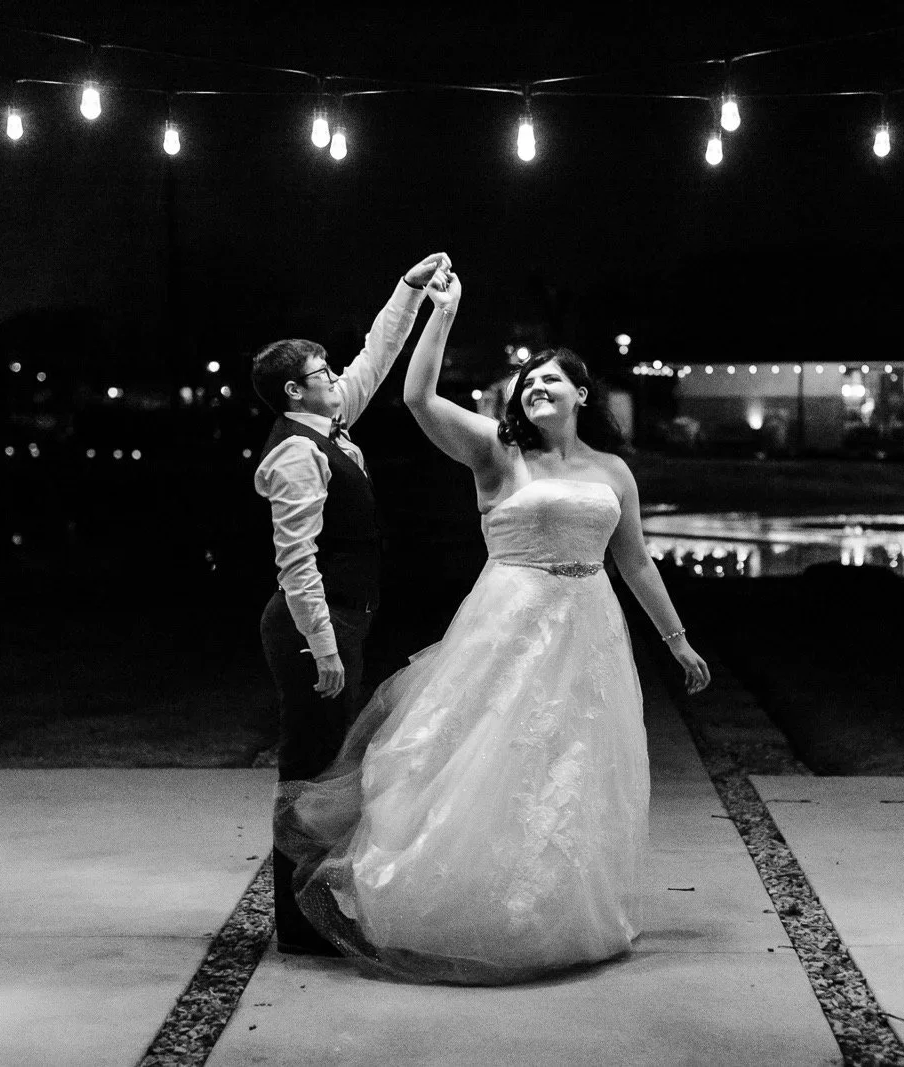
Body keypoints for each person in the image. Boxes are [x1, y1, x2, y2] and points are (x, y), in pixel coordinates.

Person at [275, 265, 711, 984]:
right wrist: (442, 313)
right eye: (527, 382)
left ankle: (561, 915)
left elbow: (635, 562)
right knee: (485, 760)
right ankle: (465, 910)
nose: (535, 389)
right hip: (508, 625)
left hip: (591, 631)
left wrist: (677, 639)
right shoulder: (497, 451)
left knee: (572, 769)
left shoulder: (613, 471)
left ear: (582, 394)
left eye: (551, 381)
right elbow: (417, 398)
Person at [252, 251, 451, 956]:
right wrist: (326, 648)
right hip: (315, 625)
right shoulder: (294, 454)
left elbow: (377, 355)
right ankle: (302, 923)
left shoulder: (327, 426)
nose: (336, 378)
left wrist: (409, 291)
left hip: (342, 619)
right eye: (322, 373)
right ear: (293, 391)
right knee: (309, 769)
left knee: (330, 767)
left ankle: (315, 910)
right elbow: (296, 562)